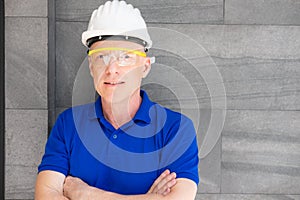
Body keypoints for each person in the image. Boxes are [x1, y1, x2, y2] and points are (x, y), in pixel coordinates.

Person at [35, 0, 199, 199]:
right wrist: (147, 198)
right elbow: (46, 196)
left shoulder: (176, 129)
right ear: (90, 66)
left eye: (126, 57)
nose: (112, 69)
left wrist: (85, 194)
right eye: (102, 56)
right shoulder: (68, 124)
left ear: (145, 67)